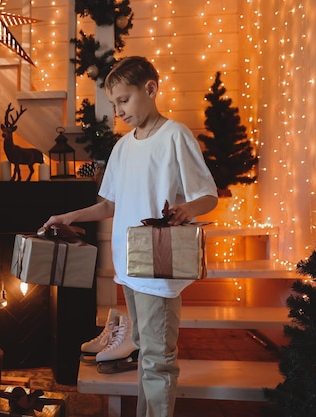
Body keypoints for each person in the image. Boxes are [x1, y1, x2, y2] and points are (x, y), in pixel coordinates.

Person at [43, 56, 218, 417]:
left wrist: (188, 210)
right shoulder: (122, 147)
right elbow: (108, 204)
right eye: (114, 104)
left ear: (150, 89)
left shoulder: (175, 136)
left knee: (157, 359)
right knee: (145, 351)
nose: (118, 111)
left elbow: (208, 196)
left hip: (160, 267)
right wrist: (67, 216)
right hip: (129, 268)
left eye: (124, 100)